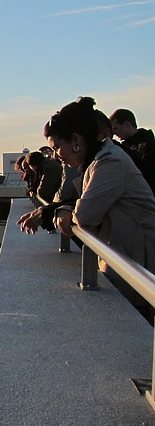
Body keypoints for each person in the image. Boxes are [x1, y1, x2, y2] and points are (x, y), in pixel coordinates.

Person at [44, 97, 155, 319]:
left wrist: (66, 209)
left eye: (57, 148)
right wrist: (67, 208)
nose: (57, 156)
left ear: (75, 139)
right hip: (129, 254)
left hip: (137, 263)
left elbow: (85, 216)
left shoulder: (109, 162)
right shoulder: (101, 160)